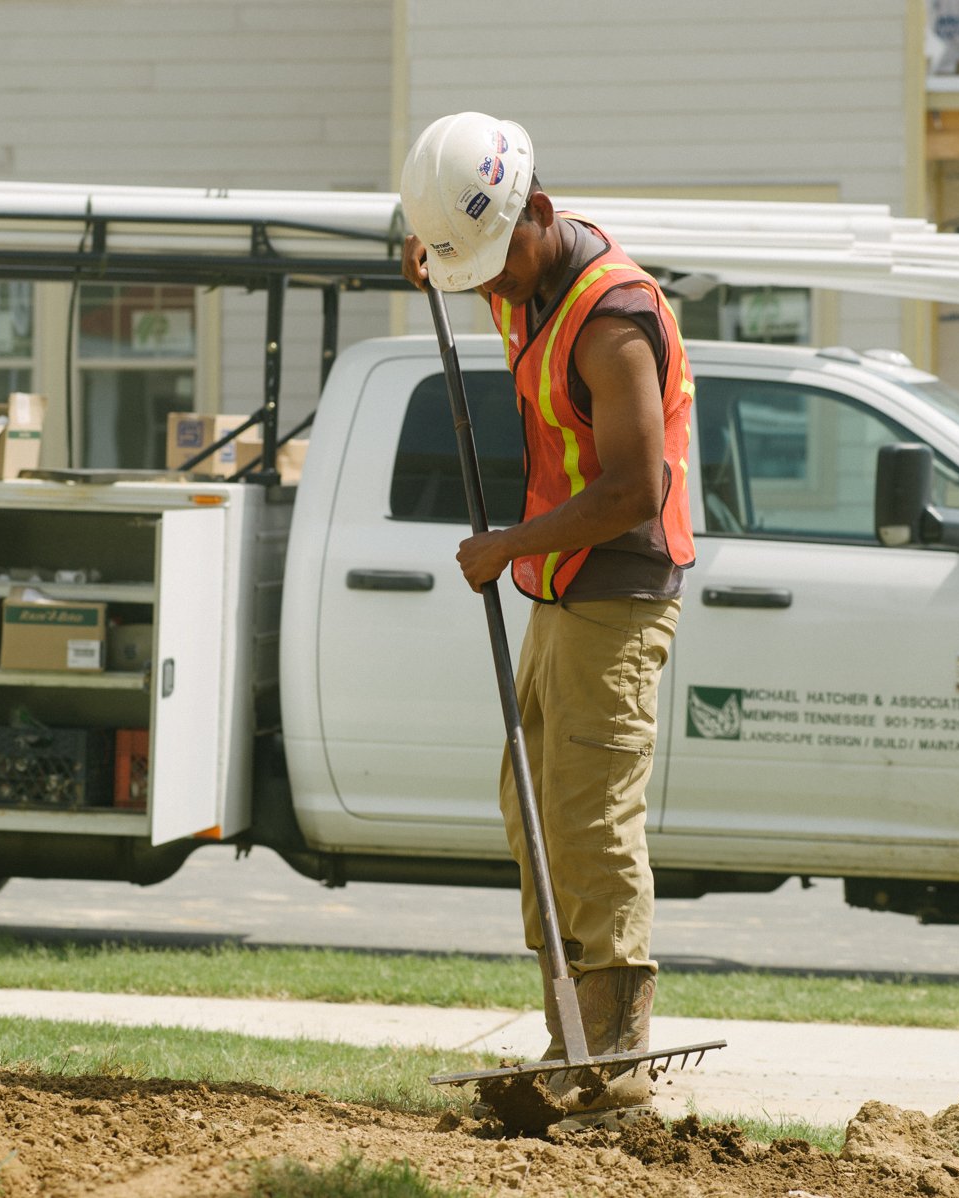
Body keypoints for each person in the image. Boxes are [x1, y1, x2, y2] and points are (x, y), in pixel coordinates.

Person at [398, 112, 695, 1126]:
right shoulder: (520, 276)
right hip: (565, 590)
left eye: (492, 261)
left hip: (616, 586)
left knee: (590, 820)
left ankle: (613, 1072)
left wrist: (504, 546)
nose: (486, 286)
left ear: (541, 215)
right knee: (535, 816)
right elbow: (478, 268)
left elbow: (634, 490)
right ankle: (570, 1042)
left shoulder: (610, 318)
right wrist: (439, 262)